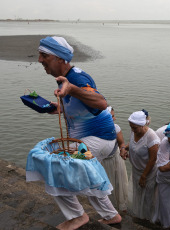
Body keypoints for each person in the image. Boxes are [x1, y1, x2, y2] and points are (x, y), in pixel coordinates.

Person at [36, 36, 121, 229]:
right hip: (96, 138)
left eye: (44, 56)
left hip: (100, 138)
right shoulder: (65, 79)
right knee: (89, 177)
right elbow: (79, 108)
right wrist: (54, 108)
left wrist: (72, 88)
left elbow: (101, 103)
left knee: (58, 166)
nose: (39, 60)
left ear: (60, 59)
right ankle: (111, 216)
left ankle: (77, 216)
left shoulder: (76, 78)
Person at [126, 111, 160, 220]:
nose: (132, 130)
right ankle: (139, 215)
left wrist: (144, 176)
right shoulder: (134, 131)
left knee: (148, 197)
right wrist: (124, 149)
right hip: (136, 170)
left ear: (142, 125)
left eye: (134, 128)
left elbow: (153, 159)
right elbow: (131, 144)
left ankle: (147, 218)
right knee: (138, 193)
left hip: (148, 172)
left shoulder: (152, 137)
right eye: (131, 127)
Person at [100, 106, 128, 211]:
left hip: (116, 159)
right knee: (105, 185)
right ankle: (108, 208)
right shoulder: (96, 130)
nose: (114, 119)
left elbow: (121, 143)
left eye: (114, 116)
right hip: (103, 162)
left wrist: (122, 150)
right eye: (111, 117)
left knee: (119, 184)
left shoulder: (116, 128)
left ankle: (121, 207)